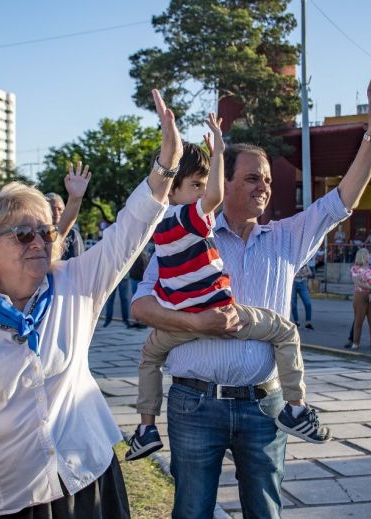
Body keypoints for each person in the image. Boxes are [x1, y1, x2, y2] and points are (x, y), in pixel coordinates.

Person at [131, 74, 371, 518]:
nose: (265, 186)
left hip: (265, 406)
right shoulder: (185, 236)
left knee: (265, 512)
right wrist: (197, 324)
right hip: (194, 404)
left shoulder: (286, 238)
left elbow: (342, 201)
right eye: (253, 177)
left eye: (269, 180)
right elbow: (142, 307)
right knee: (191, 511)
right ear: (225, 182)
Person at [0, 89, 180, 517]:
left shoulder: (72, 285)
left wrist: (166, 163)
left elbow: (130, 229)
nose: (39, 243)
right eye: (22, 235)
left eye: (46, 234)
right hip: (11, 496)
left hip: (88, 476)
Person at [126, 118, 328, 464]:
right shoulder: (193, 219)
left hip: (179, 323)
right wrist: (218, 152)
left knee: (149, 357)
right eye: (197, 185)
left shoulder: (157, 226)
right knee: (284, 330)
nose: (205, 192)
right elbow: (217, 196)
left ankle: (145, 428)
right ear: (176, 190)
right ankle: (296, 408)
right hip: (223, 313)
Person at [45, 165, 91, 261]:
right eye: (52, 208)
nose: (56, 212)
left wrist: (75, 198)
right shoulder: (36, 234)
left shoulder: (72, 236)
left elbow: (78, 266)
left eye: (60, 209)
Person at [350, 248, 371, 350]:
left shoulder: (370, 269)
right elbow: (357, 282)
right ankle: (355, 342)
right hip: (360, 295)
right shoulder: (355, 268)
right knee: (358, 320)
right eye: (368, 254)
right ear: (363, 256)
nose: (369, 256)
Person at [292, 264, 314, 329]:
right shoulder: (293, 262)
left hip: (303, 283)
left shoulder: (305, 263)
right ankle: (297, 322)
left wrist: (303, 274)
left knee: (308, 303)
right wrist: (298, 273)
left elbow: (310, 273)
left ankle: (308, 323)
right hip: (293, 284)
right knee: (293, 304)